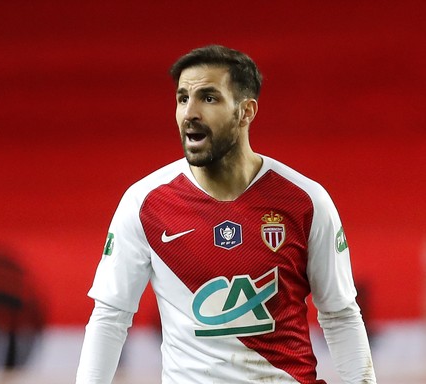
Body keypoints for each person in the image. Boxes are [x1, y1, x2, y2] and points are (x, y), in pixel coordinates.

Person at [76, 45, 376, 383]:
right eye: (182, 98)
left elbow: (340, 316)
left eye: (208, 98)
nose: (189, 112)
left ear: (246, 112)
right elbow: (110, 318)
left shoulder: (305, 201)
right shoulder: (145, 203)